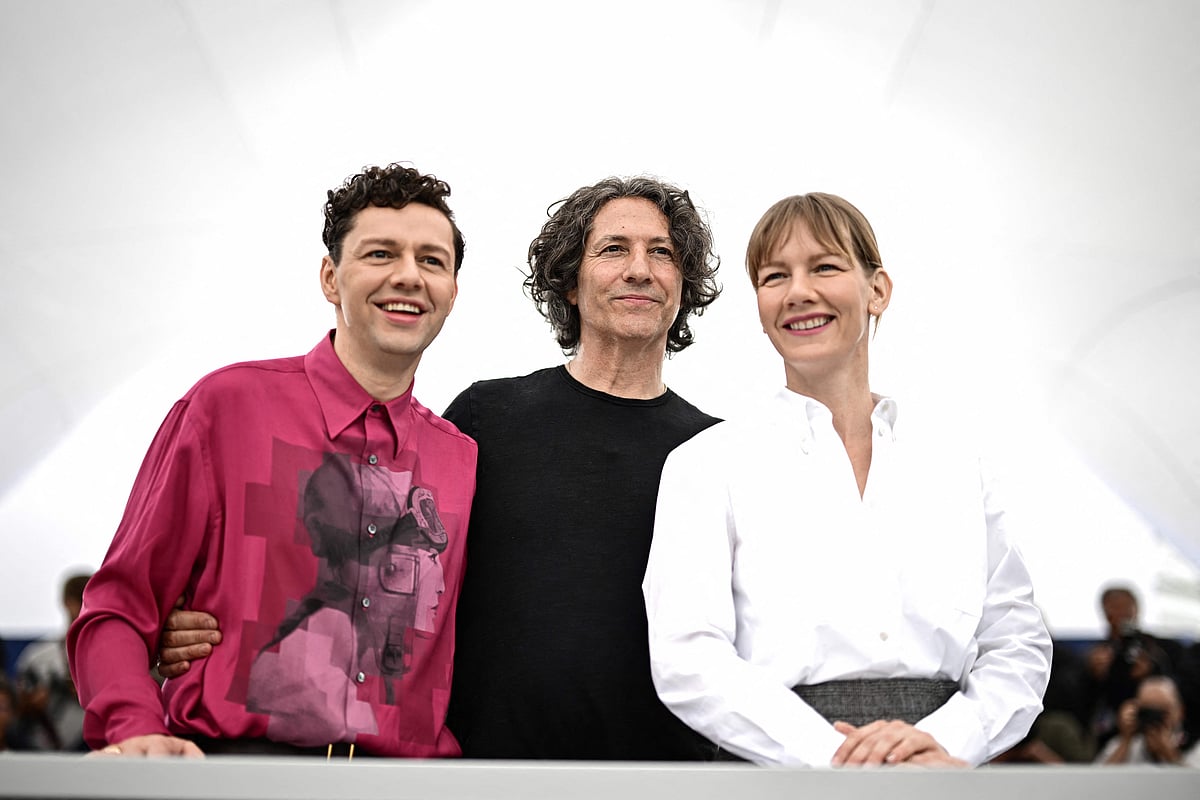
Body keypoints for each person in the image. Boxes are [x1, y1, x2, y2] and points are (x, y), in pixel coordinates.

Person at [159, 175, 724, 760]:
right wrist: (197, 624)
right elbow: (368, 564)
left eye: (662, 252)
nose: (640, 268)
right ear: (570, 283)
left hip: (666, 781)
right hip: (480, 780)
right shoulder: (486, 418)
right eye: (614, 249)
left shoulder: (721, 451)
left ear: (684, 285)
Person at [67, 163, 477, 758]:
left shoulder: (461, 459)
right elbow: (119, 608)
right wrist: (136, 729)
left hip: (409, 788)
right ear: (331, 279)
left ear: (453, 293)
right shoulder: (226, 408)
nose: (409, 276)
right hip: (236, 776)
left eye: (432, 261)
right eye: (381, 254)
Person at [642, 192, 1052, 768]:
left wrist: (949, 742)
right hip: (776, 770)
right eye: (774, 276)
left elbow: (1018, 642)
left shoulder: (956, 464)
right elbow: (687, 656)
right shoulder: (707, 464)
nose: (798, 292)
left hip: (938, 774)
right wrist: (835, 756)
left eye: (825, 267)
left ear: (877, 289)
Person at [1083, 585, 1183, 750]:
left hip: (1160, 721)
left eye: (1126, 608)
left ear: (1136, 609)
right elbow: (1088, 700)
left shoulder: (1159, 649)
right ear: (1105, 614)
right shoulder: (1098, 654)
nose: (1122, 615)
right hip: (1114, 725)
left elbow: (1177, 684)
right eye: (1115, 609)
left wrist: (1152, 671)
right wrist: (1093, 674)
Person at [14, 571, 92, 751]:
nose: (85, 607)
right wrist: (32, 703)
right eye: (80, 600)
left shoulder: (113, 656)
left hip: (96, 746)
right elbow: (13, 710)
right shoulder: (39, 657)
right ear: (67, 602)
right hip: (41, 745)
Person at [1095, 676, 1199, 766]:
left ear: (1180, 711)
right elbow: (1097, 782)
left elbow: (1193, 785)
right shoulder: (1124, 744)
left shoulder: (1195, 746)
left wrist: (1170, 754)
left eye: (1163, 711)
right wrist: (1125, 740)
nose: (1154, 718)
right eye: (1147, 711)